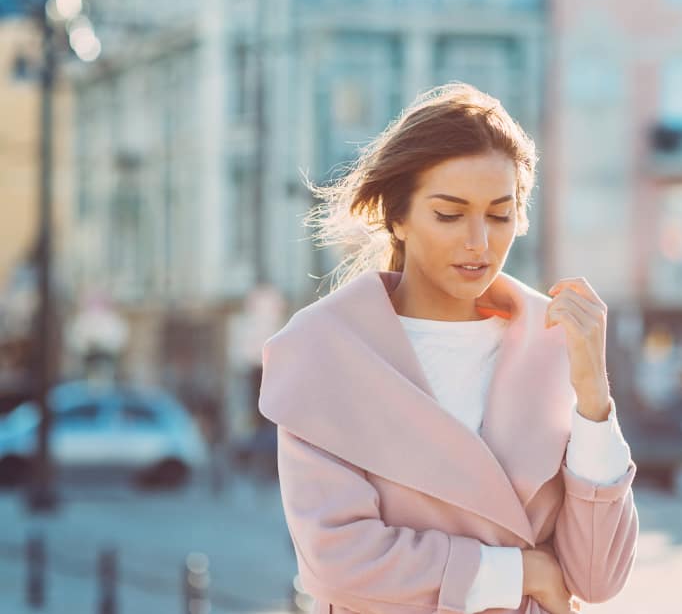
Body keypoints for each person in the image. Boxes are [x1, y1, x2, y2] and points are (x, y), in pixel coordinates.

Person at [258, 83, 638, 614]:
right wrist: (520, 571)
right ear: (398, 217)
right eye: (449, 214)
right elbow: (338, 563)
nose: (479, 242)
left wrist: (594, 397)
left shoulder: (553, 346)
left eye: (500, 215)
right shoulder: (325, 352)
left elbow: (596, 579)